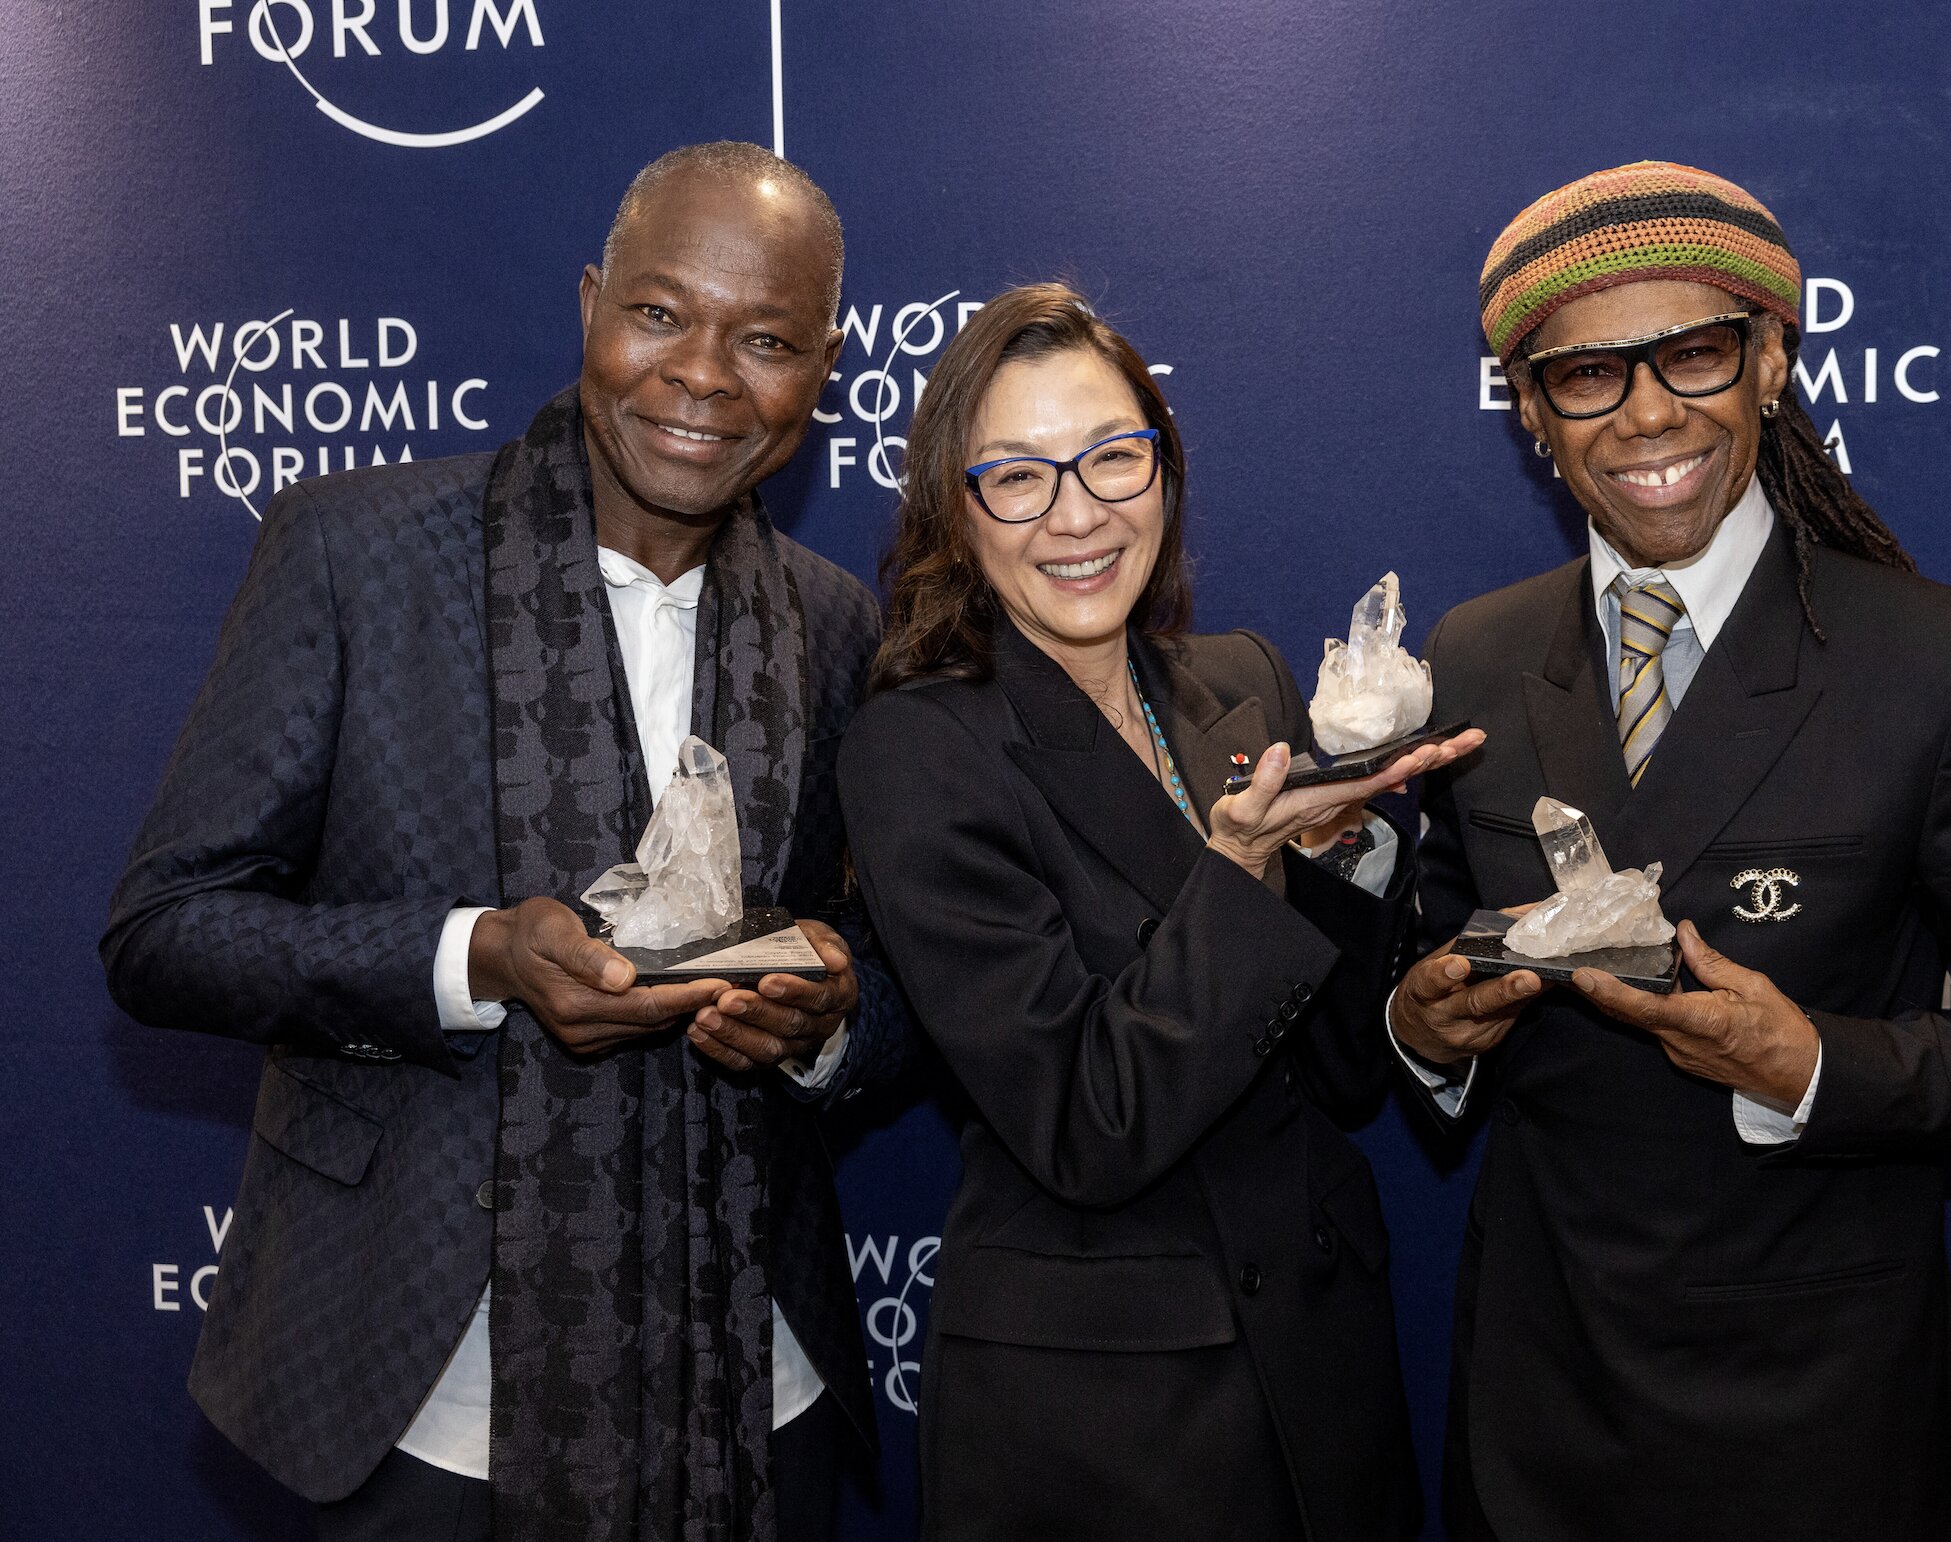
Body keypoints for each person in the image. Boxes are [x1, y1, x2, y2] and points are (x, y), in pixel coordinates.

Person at [101, 143, 905, 1542]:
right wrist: (475, 958)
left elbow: (896, 973)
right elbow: (167, 929)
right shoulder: (357, 552)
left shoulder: (835, 623)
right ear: (592, 303)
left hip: (749, 1385)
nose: (704, 374)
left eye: (765, 339)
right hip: (425, 1395)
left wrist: (825, 1017)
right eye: (659, 313)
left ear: (821, 371)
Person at [1387, 161, 1951, 1540]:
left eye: (1694, 353)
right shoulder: (1471, 655)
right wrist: (1421, 1025)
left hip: (1818, 1407)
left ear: (1769, 360)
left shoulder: (1942, 662)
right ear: (1533, 413)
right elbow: (1432, 952)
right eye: (1589, 375)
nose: (1648, 411)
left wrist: (1817, 1066)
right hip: (1543, 1390)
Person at [840, 283, 1476, 1541]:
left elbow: (1340, 1073)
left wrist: (1347, 855)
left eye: (1113, 459)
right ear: (953, 517)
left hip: (1323, 1366)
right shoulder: (919, 748)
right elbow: (1088, 1121)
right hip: (1106, 1423)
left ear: (1163, 470)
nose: (1078, 514)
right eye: (1017, 478)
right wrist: (1237, 873)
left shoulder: (1235, 679)